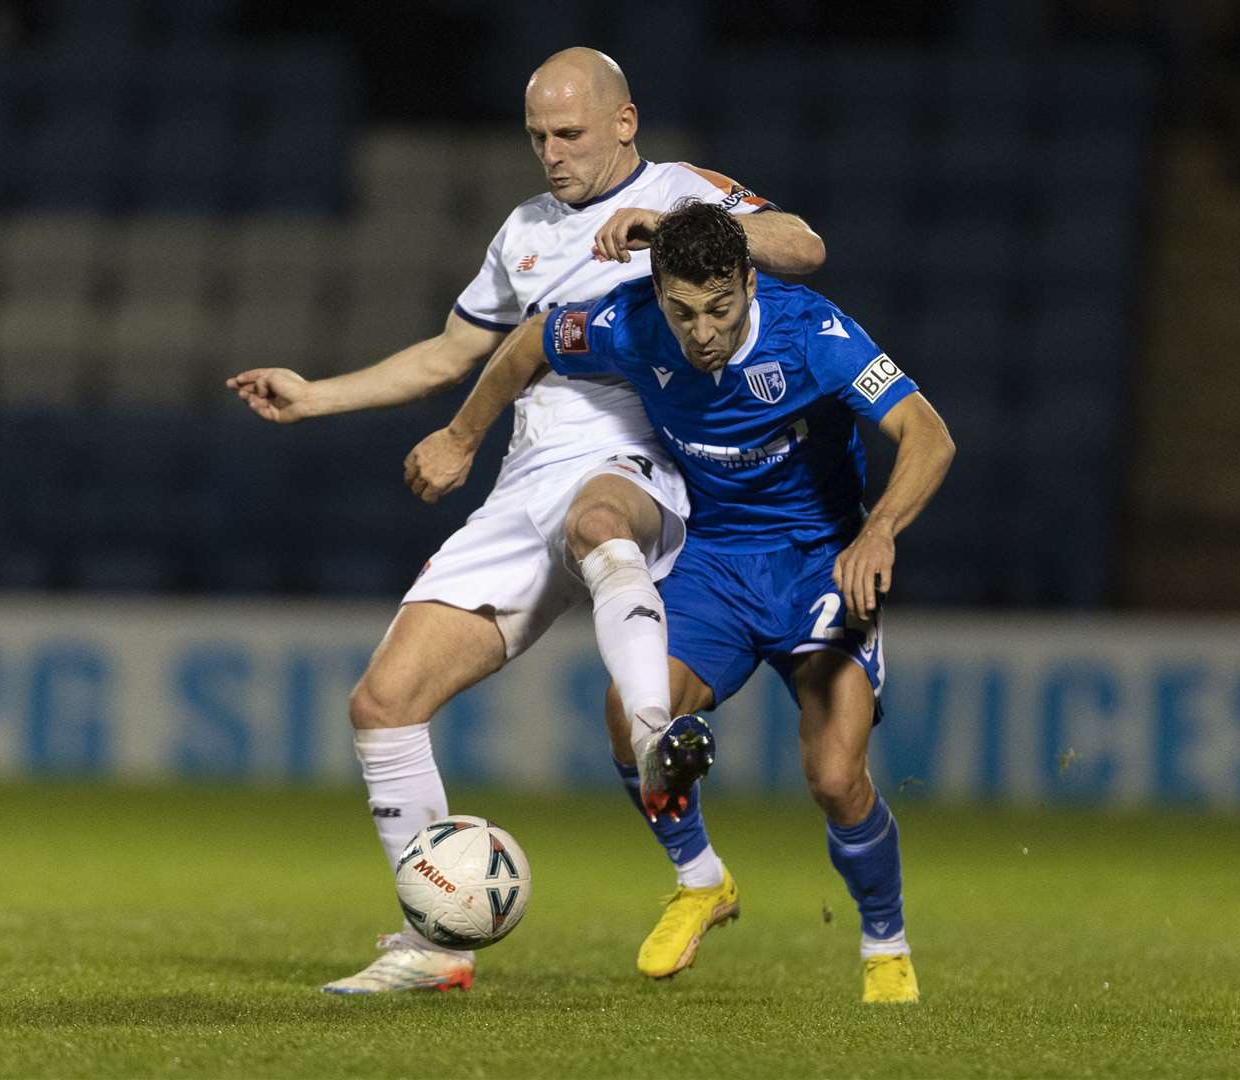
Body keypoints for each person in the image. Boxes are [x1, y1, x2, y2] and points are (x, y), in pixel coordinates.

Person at [226, 47, 827, 994]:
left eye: (570, 134)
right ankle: (439, 943)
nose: (551, 153)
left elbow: (801, 246)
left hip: (639, 461)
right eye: (537, 136)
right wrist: (317, 397)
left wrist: (666, 226)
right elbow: (449, 353)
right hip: (524, 485)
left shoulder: (682, 189)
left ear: (624, 122)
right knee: (383, 707)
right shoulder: (525, 232)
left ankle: (653, 726)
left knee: (598, 521)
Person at [408, 199, 955, 1003]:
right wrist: (461, 436)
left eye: (721, 308)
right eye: (684, 310)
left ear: (749, 279)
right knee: (632, 716)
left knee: (836, 778)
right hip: (714, 564)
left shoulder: (814, 336)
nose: (702, 331)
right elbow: (530, 339)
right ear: (657, 291)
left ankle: (885, 944)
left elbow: (929, 434)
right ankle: (701, 879)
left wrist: (877, 534)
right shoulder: (630, 324)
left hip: (818, 565)